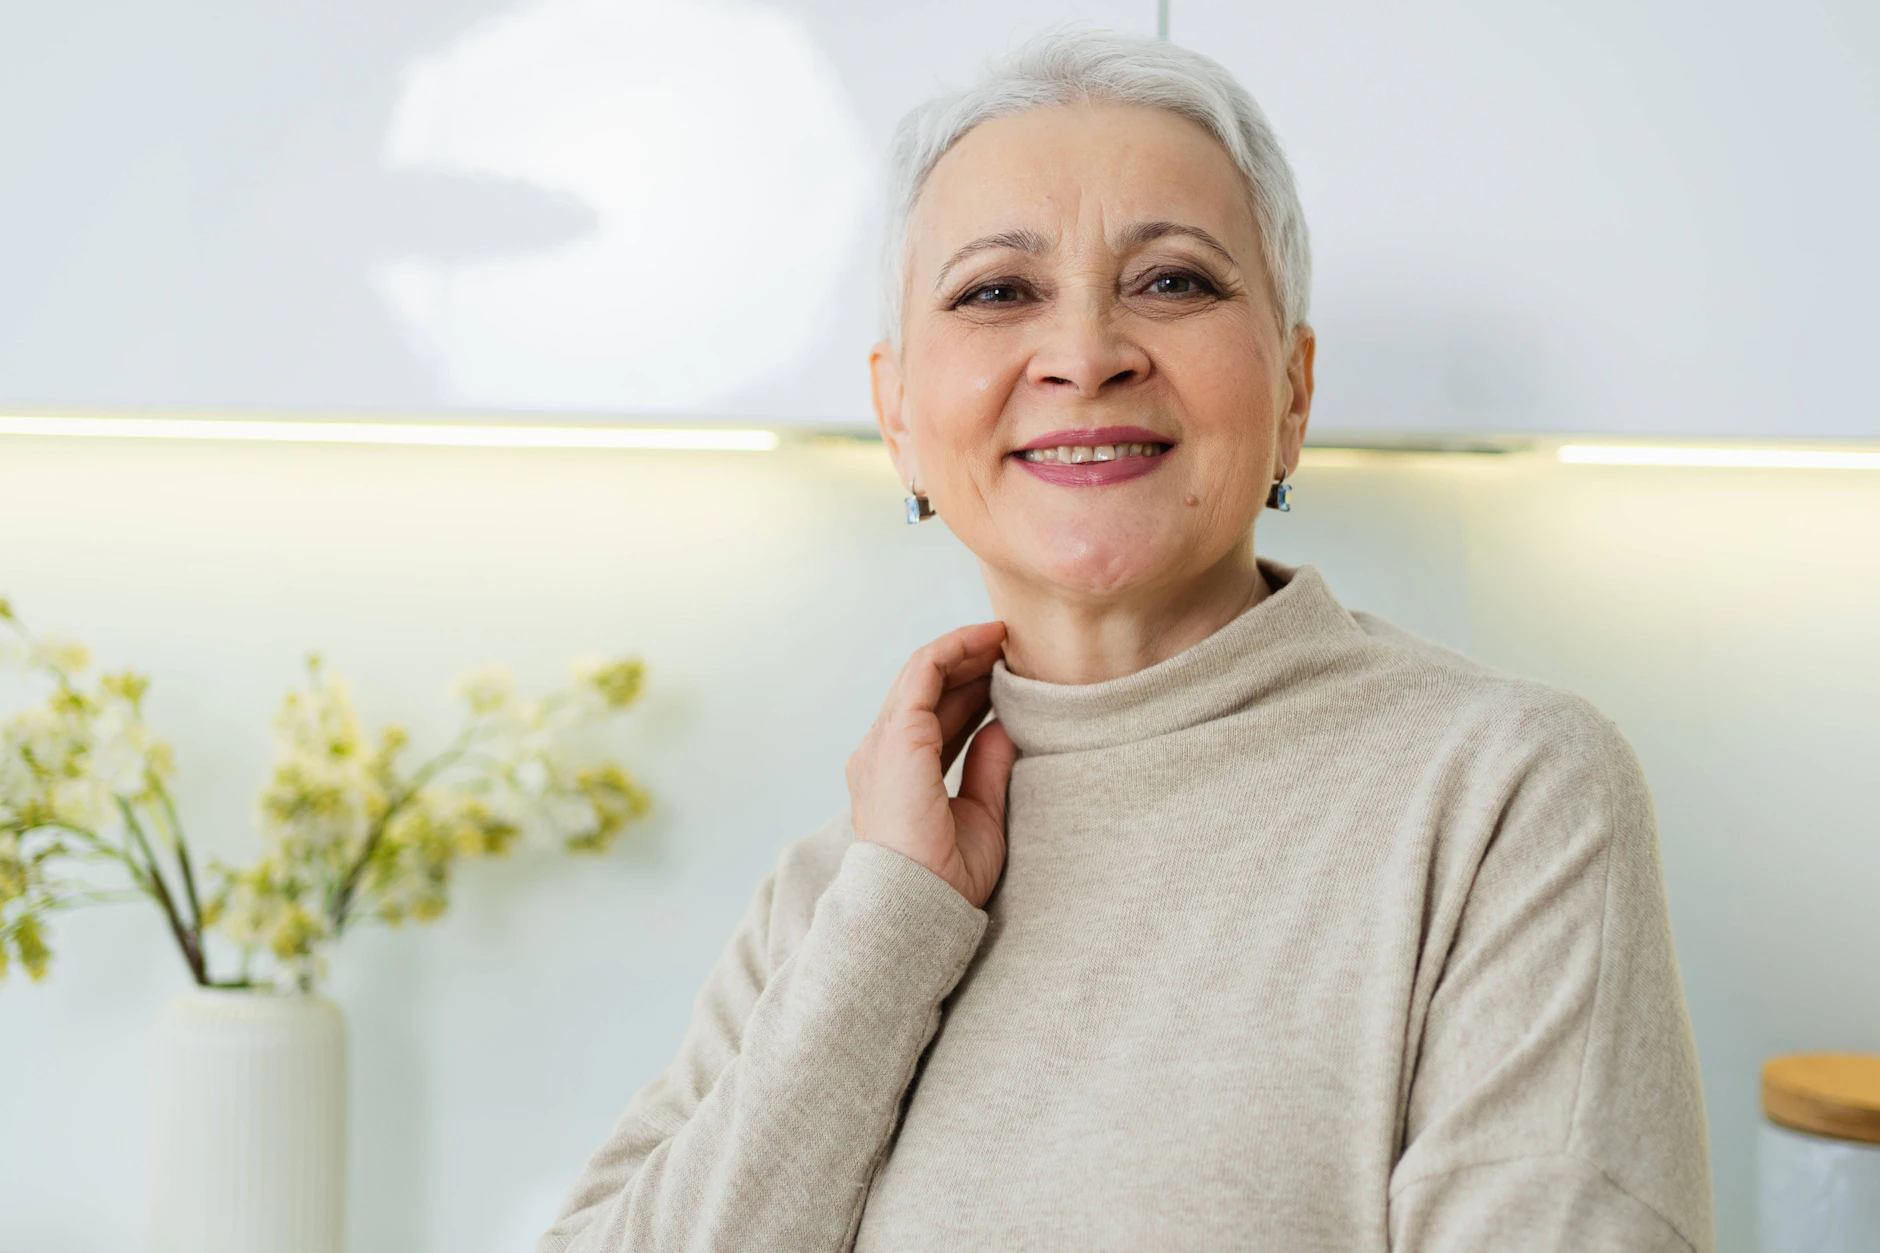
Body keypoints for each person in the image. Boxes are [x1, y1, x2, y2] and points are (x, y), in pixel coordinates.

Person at [537, 28, 1712, 1252]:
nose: (1086, 354)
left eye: (1172, 282)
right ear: (897, 416)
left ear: (1293, 394)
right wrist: (891, 923)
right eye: (997, 292)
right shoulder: (846, 886)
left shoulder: (1503, 794)